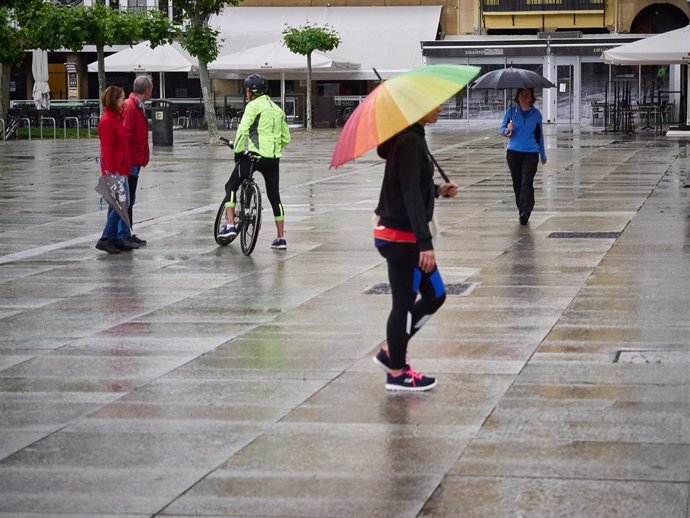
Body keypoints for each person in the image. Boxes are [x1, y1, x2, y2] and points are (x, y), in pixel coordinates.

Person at [372, 106, 459, 392]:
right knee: (404, 304)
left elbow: (412, 185)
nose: (441, 108)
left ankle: (391, 352)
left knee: (435, 295)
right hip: (402, 238)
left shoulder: (413, 137)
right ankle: (397, 372)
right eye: (435, 105)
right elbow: (409, 194)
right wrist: (425, 243)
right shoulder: (409, 141)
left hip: (404, 234)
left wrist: (437, 191)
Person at [217, 74, 291, 249]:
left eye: (247, 90)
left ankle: (229, 225)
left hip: (254, 157)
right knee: (275, 197)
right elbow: (286, 138)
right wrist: (273, 146)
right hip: (273, 159)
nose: (246, 93)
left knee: (231, 185)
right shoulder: (277, 109)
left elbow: (243, 130)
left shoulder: (253, 106)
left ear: (251, 92)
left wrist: (237, 152)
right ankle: (281, 238)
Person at [499, 87, 547, 225]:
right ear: (517, 97)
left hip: (531, 153)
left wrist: (542, 154)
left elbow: (540, 136)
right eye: (522, 95)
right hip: (514, 153)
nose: (525, 97)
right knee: (517, 183)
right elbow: (501, 130)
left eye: (528, 95)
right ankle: (521, 210)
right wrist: (508, 130)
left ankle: (526, 211)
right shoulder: (511, 112)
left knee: (527, 182)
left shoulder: (536, 114)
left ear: (532, 98)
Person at [95, 86, 133, 255]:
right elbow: (107, 149)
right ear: (113, 100)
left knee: (118, 205)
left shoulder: (115, 118)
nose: (124, 102)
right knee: (121, 205)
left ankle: (113, 238)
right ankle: (105, 238)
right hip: (114, 170)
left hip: (120, 167)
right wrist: (111, 172)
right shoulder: (107, 121)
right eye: (121, 98)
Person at [120, 74, 153, 247]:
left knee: (130, 198)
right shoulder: (131, 107)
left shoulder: (137, 106)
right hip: (129, 160)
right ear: (148, 90)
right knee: (126, 199)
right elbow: (124, 135)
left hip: (135, 159)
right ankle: (123, 234)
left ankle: (128, 232)